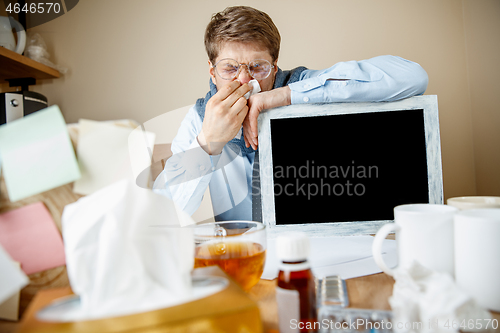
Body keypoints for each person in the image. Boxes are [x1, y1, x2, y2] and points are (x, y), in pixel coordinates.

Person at [153, 6, 428, 222]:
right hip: (246, 256)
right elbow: (165, 213)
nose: (245, 81)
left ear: (275, 67)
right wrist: (208, 143)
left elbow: (413, 77)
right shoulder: (199, 118)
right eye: (229, 69)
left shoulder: (305, 87)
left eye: (257, 67)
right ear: (212, 73)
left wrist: (285, 96)